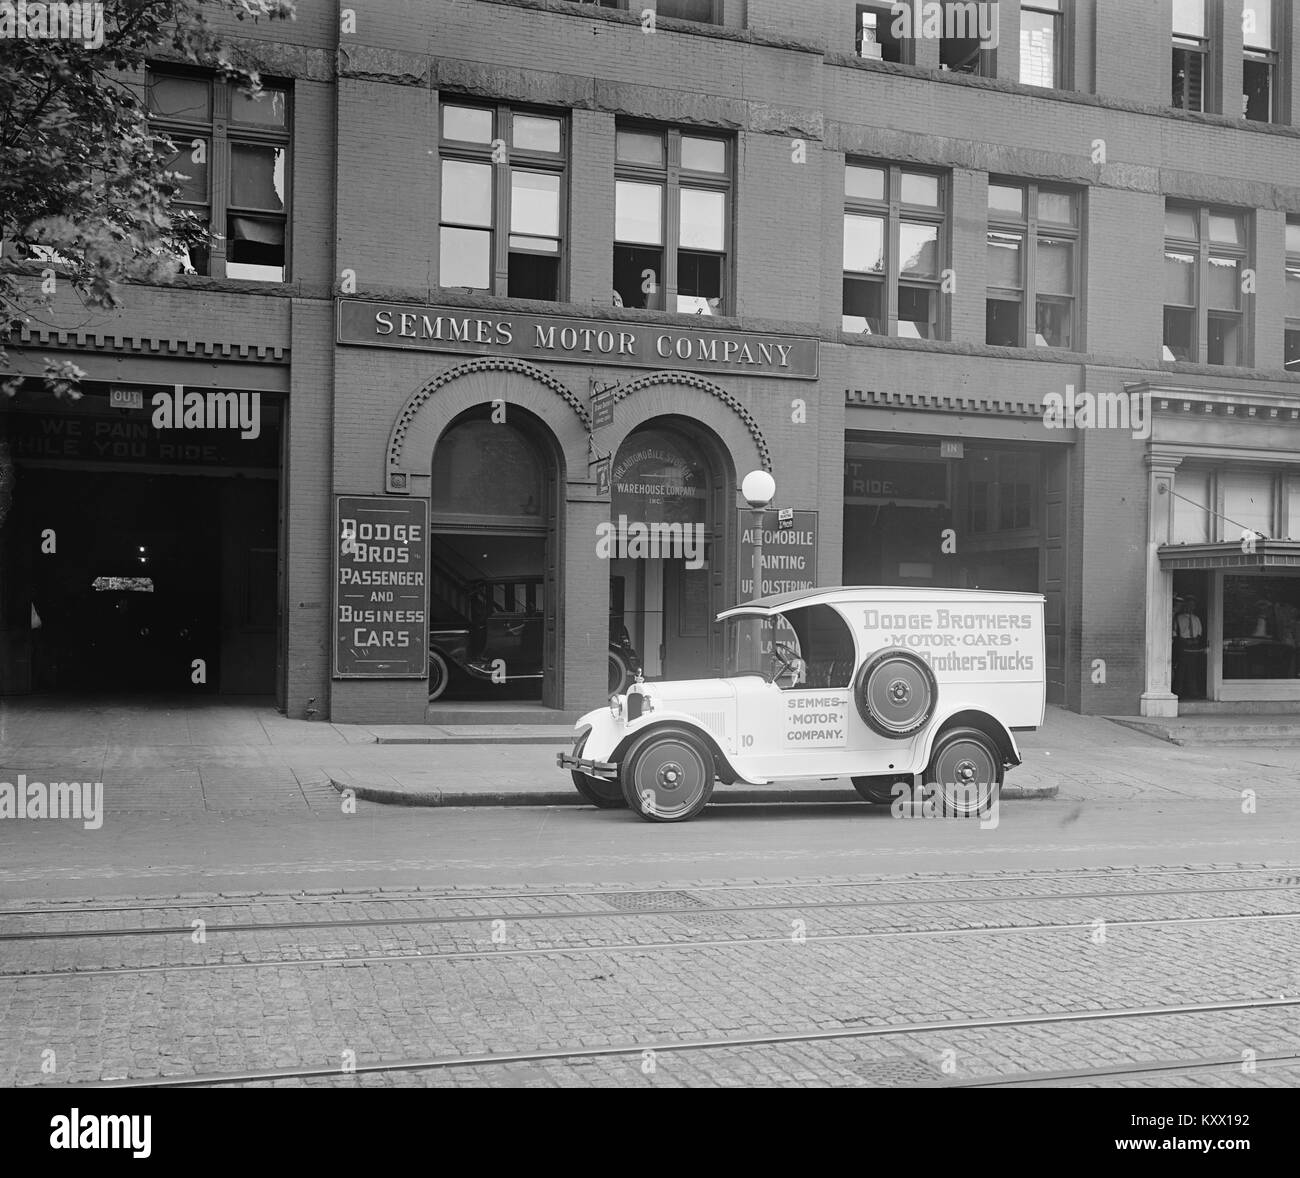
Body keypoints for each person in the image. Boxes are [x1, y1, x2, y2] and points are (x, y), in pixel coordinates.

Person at [1172, 594, 1204, 697]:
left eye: (1192, 605)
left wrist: (1195, 640)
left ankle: (1193, 692)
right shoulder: (1178, 618)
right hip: (1183, 645)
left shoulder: (1196, 619)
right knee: (1181, 670)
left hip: (1193, 645)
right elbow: (1175, 632)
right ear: (1185, 606)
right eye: (1188, 605)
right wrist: (1183, 641)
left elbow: (1199, 632)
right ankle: (1178, 691)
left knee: (1192, 670)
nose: (1190, 607)